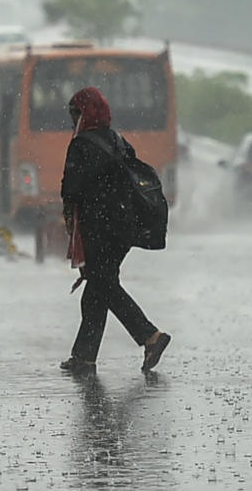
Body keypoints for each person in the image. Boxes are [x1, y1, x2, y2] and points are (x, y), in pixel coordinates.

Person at [59, 86, 171, 374]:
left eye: (75, 114)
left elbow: (71, 188)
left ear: (84, 115)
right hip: (124, 228)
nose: (73, 121)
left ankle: (150, 336)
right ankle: (84, 357)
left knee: (104, 286)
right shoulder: (118, 140)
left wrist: (69, 217)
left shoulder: (81, 144)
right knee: (97, 288)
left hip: (99, 228)